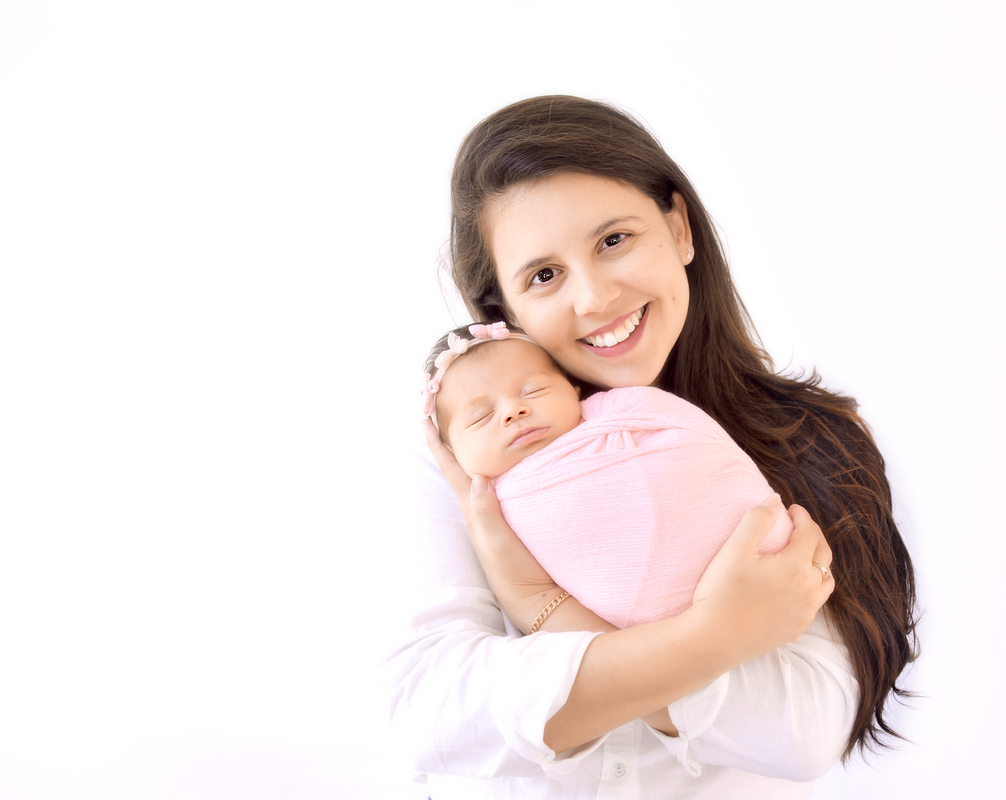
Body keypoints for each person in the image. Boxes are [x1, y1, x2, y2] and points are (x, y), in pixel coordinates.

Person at [389, 95, 917, 799]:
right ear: (503, 311)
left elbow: (805, 731)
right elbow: (432, 713)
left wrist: (535, 601)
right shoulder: (466, 454)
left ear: (678, 228)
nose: (594, 297)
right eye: (543, 275)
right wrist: (714, 639)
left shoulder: (817, 443)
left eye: (614, 240)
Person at [420, 321, 796, 630]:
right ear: (451, 452)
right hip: (652, 648)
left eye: (533, 390)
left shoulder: (629, 410)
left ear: (574, 389)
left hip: (776, 567)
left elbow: (702, 451)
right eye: (482, 417)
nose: (512, 411)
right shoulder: (483, 512)